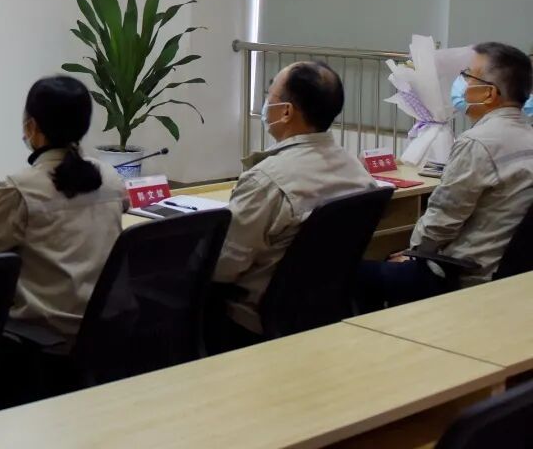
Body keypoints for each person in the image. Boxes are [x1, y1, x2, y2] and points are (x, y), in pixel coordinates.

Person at [210, 61, 375, 345]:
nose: (265, 103)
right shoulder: (358, 173)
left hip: (250, 322)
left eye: (269, 94)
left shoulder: (268, 181)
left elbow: (223, 267)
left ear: (285, 111)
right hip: (321, 314)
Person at [358, 43, 533, 308]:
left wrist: (413, 254)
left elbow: (442, 221)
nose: (460, 82)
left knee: (356, 274)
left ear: (488, 93)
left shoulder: (478, 142)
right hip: (509, 273)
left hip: (465, 275)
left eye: (467, 75)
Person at [0, 76, 127, 337]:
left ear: (31, 126)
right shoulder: (110, 178)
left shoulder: (20, 189)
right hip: (106, 331)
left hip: (45, 336)